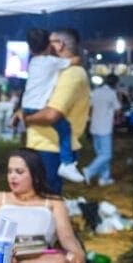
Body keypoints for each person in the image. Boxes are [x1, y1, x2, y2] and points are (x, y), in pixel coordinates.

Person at [24, 28, 91, 193]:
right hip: (45, 145)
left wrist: (27, 118)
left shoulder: (71, 74)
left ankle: (68, 165)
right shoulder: (55, 69)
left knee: (45, 198)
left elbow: (52, 115)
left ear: (59, 45)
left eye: (51, 41)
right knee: (40, 197)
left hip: (50, 148)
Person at [84, 74, 121, 186]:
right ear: (115, 83)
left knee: (101, 154)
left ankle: (104, 178)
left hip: (94, 126)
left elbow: (89, 108)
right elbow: (118, 110)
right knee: (106, 155)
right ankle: (89, 170)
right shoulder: (112, 93)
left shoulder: (95, 92)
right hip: (105, 128)